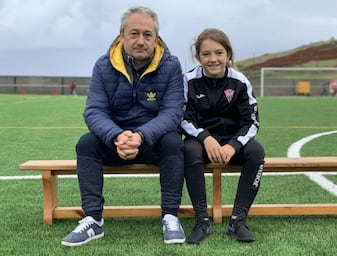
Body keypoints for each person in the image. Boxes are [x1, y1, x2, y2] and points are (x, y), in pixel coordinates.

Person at [61, 6, 186, 246]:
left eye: (147, 35)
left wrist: (141, 135)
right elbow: (94, 110)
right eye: (134, 33)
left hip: (151, 142)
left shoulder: (170, 65)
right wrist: (117, 136)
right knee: (86, 143)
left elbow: (172, 112)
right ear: (121, 35)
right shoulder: (103, 65)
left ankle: (170, 215)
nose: (141, 40)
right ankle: (93, 219)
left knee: (173, 142)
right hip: (116, 143)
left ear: (156, 38)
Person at [181, 28, 265, 244]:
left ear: (228, 54)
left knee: (256, 151)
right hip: (202, 142)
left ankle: (238, 220)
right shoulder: (188, 81)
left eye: (219, 53)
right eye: (206, 54)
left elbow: (252, 122)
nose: (213, 59)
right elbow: (182, 118)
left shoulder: (240, 81)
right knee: (188, 150)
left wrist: (233, 146)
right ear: (197, 56)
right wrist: (205, 138)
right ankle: (202, 220)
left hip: (231, 145)